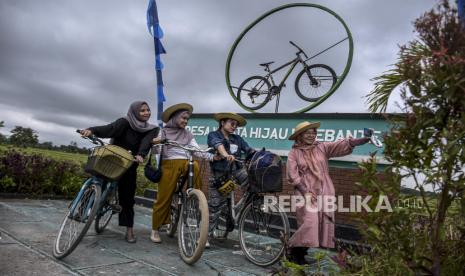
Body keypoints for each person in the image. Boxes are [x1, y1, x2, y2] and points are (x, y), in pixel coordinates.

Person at [286, 121, 372, 264]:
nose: (311, 135)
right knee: (310, 223)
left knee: (320, 224)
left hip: (324, 190)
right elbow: (292, 175)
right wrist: (305, 191)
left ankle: (300, 255)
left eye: (314, 132)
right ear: (300, 136)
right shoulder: (294, 153)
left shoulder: (322, 147)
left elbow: (341, 145)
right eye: (308, 133)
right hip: (305, 192)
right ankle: (292, 249)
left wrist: (362, 140)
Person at [80, 101, 159, 243]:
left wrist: (141, 154)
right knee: (97, 181)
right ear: (134, 112)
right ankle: (81, 211)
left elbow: (146, 142)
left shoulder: (151, 129)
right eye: (142, 110)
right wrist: (91, 130)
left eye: (148, 110)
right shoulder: (124, 122)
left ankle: (129, 230)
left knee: (127, 198)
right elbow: (109, 129)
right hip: (111, 159)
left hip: (130, 163)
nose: (147, 112)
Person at [150, 103, 218, 243]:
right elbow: (157, 152)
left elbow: (197, 150)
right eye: (183, 118)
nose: (185, 121)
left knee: (196, 165)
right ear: (175, 118)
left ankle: (195, 196)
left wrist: (212, 157)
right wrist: (156, 144)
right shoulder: (163, 132)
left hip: (186, 163)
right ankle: (155, 229)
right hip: (168, 164)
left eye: (187, 119)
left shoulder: (188, 134)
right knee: (164, 197)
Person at [206, 112, 255, 247]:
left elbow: (248, 149)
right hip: (219, 175)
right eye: (232, 123)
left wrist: (258, 154)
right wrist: (225, 154)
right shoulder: (214, 135)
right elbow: (217, 145)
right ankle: (204, 237)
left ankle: (250, 205)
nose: (234, 127)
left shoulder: (237, 139)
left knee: (253, 179)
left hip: (236, 171)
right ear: (222, 123)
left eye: (236, 125)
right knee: (214, 207)